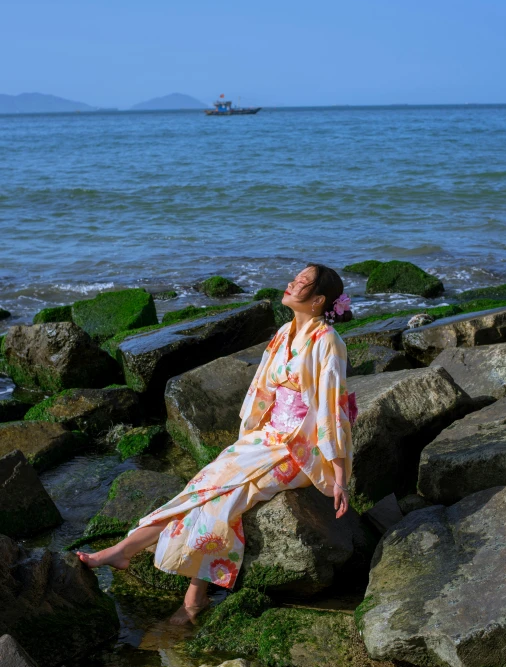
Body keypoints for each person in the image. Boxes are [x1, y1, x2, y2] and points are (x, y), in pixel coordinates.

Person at [76, 263, 358, 625]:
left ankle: (177, 585)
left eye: (302, 282)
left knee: (225, 499)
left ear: (319, 300)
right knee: (200, 491)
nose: (291, 282)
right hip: (266, 438)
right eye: (295, 277)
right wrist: (249, 437)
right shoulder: (284, 332)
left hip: (299, 448)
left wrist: (338, 476)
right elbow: (262, 390)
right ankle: (141, 561)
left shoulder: (329, 342)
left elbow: (333, 405)